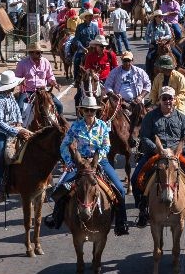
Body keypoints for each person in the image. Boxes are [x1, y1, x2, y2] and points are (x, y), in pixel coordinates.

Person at [45, 96, 129, 235]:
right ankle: (56, 217)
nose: (89, 113)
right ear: (82, 111)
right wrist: (69, 161)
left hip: (99, 161)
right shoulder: (75, 126)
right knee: (62, 187)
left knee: (119, 188)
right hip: (80, 162)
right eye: (86, 110)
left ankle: (122, 222)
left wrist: (96, 159)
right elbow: (64, 145)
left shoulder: (103, 125)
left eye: (92, 110)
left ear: (96, 111)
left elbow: (106, 146)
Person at [133, 86, 185, 227]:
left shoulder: (181, 117)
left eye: (170, 98)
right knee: (136, 177)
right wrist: (157, 149)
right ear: (160, 100)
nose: (167, 101)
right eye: (164, 98)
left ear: (174, 100)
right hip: (156, 154)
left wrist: (177, 152)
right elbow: (144, 137)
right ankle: (142, 209)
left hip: (177, 154)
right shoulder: (150, 117)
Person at [0, 70, 33, 203]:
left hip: (16, 127)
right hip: (1, 131)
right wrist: (16, 132)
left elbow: (17, 112)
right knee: (1, 154)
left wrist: (20, 124)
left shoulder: (11, 96)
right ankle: (0, 188)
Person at [15, 42, 63, 115]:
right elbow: (17, 78)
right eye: (37, 53)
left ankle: (61, 123)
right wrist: (21, 81)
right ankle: (19, 125)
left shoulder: (46, 62)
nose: (40, 54)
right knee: (20, 109)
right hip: (27, 92)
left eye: (41, 52)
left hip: (43, 91)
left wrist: (55, 84)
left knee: (59, 106)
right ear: (31, 53)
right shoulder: (22, 64)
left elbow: (50, 76)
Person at [144, 10, 175, 75]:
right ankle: (148, 74)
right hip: (154, 44)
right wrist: (149, 43)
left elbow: (169, 35)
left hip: (165, 44)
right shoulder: (151, 24)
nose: (161, 17)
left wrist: (163, 38)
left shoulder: (165, 24)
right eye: (159, 16)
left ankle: (179, 68)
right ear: (155, 17)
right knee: (148, 57)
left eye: (161, 16)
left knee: (178, 54)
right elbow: (146, 35)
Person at [73, 9, 100, 79]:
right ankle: (76, 79)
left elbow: (98, 39)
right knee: (76, 61)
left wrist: (93, 47)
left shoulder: (95, 27)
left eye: (91, 16)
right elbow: (77, 39)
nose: (91, 17)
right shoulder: (79, 27)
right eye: (89, 16)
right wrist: (83, 48)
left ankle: (101, 77)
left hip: (93, 49)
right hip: (82, 49)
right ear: (85, 17)